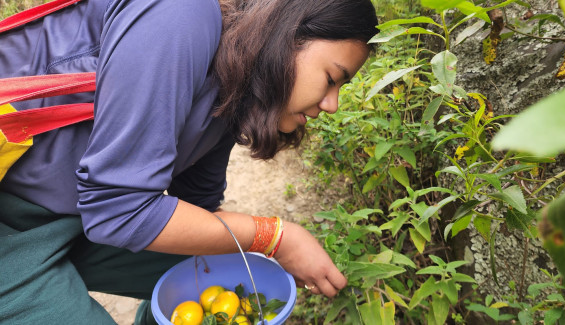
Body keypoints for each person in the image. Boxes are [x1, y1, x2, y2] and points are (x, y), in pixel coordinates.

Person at [0, 0, 378, 323]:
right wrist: (276, 237)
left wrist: (259, 249)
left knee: (220, 273)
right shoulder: (181, 14)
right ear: (287, 34)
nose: (332, 104)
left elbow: (195, 205)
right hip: (11, 222)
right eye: (332, 78)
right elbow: (120, 210)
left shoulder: (235, 80)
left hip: (80, 214)